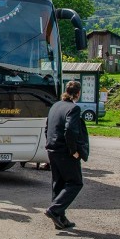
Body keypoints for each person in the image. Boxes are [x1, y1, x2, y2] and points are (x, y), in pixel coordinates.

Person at [44, 80, 89, 230]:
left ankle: (60, 218)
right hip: (65, 151)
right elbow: (70, 130)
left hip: (52, 149)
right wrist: (73, 150)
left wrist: (49, 143)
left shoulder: (55, 106)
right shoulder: (73, 108)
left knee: (59, 183)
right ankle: (55, 210)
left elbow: (47, 127)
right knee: (75, 182)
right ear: (78, 93)